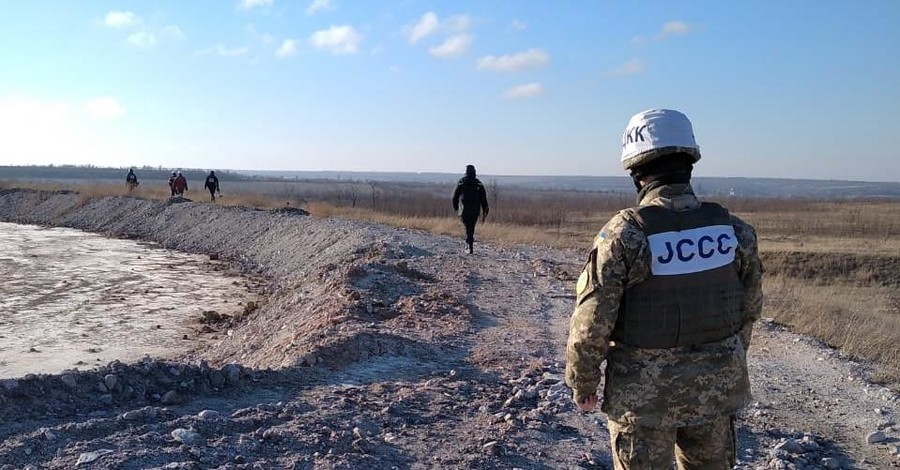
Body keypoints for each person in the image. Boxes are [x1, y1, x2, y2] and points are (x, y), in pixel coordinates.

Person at [565, 109, 763, 470]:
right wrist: (720, 361)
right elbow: (749, 310)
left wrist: (583, 382)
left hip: (644, 403)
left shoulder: (626, 234)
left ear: (636, 174)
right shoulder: (734, 231)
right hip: (715, 393)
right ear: (689, 163)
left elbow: (591, 323)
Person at [451, 164, 489, 254]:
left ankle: (469, 244)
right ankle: (469, 243)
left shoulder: (461, 182)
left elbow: (454, 196)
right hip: (475, 210)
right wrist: (485, 210)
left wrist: (456, 207)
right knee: (471, 227)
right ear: (474, 172)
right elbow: (483, 198)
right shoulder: (478, 183)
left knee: (467, 228)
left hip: (463, 210)